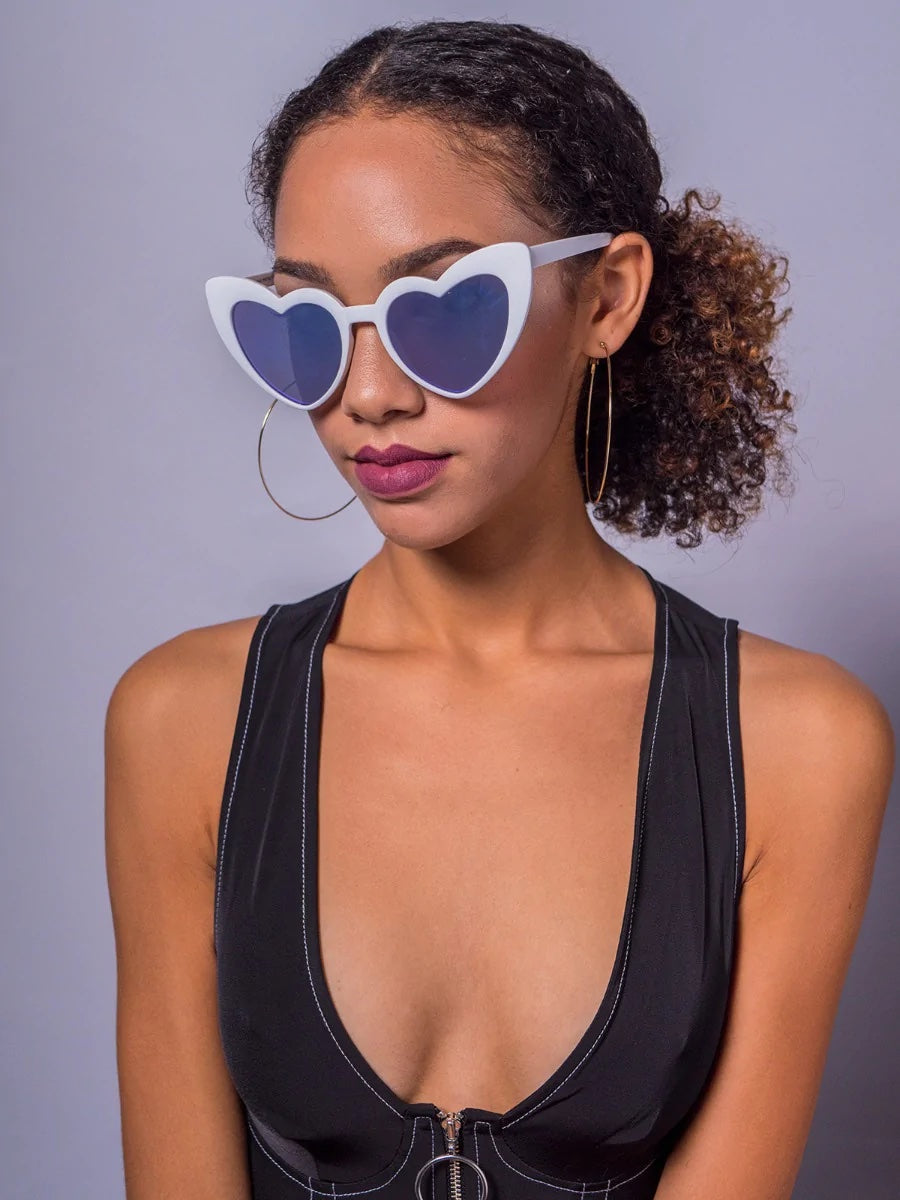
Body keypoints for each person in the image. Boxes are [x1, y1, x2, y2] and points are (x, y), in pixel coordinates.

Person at [103, 18, 894, 1200]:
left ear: (606, 298)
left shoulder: (797, 745)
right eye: (306, 325)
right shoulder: (183, 722)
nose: (369, 394)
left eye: (442, 309)